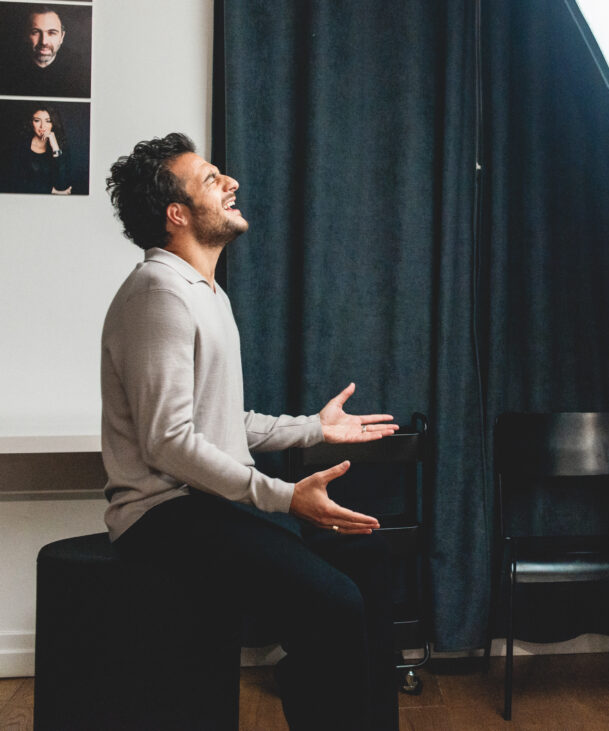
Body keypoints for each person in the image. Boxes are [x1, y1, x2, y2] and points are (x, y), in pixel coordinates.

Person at [102, 132, 401, 730]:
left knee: (365, 559)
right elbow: (168, 442)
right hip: (162, 516)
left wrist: (313, 428)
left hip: (206, 505)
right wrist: (284, 498)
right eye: (212, 178)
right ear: (177, 213)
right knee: (334, 602)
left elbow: (222, 424)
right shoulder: (158, 292)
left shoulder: (207, 292)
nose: (230, 182)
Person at [0, 5, 90, 98]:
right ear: (26, 35)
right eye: (35, 32)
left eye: (52, 33)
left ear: (62, 37)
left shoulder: (78, 72)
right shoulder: (7, 72)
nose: (43, 41)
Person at [4, 104, 71, 194]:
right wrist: (52, 191)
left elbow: (63, 185)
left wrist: (55, 147)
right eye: (37, 121)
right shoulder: (19, 147)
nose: (42, 126)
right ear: (31, 123)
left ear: (53, 123)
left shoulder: (60, 148)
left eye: (48, 121)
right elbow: (15, 183)